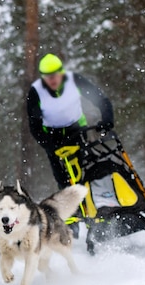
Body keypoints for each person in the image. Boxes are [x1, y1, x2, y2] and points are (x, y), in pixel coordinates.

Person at [27, 53, 114, 190]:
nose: (52, 80)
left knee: (84, 170)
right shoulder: (36, 92)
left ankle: (92, 201)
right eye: (47, 77)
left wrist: (107, 119)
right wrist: (48, 145)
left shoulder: (74, 80)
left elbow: (101, 99)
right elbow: (34, 125)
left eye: (54, 75)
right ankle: (70, 206)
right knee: (63, 178)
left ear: (61, 72)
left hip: (77, 129)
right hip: (52, 136)